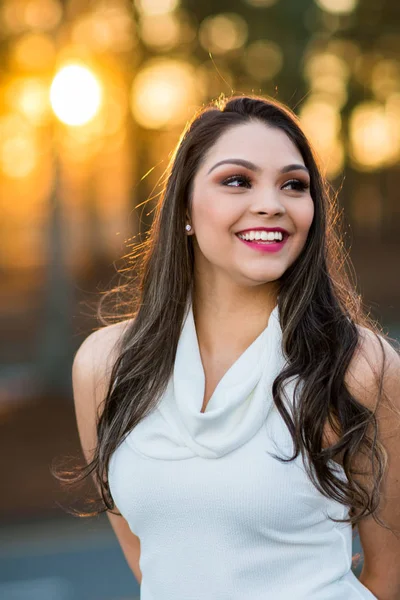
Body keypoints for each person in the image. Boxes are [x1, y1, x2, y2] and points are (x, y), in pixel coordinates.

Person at [70, 95, 400, 599]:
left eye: (294, 184)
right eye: (237, 181)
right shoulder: (105, 365)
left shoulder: (359, 366)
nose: (271, 203)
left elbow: (390, 576)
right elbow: (156, 563)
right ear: (184, 206)